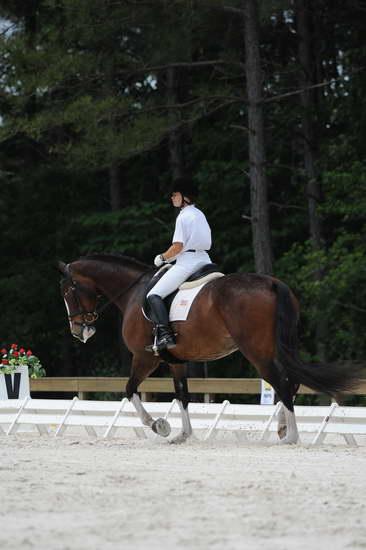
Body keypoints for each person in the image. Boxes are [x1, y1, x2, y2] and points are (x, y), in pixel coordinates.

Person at [146, 179, 212, 352]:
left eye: (175, 195)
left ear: (185, 197)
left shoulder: (183, 216)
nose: (172, 198)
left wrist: (162, 257)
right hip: (205, 260)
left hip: (187, 262)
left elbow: (178, 247)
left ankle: (165, 335)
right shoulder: (200, 214)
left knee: (154, 295)